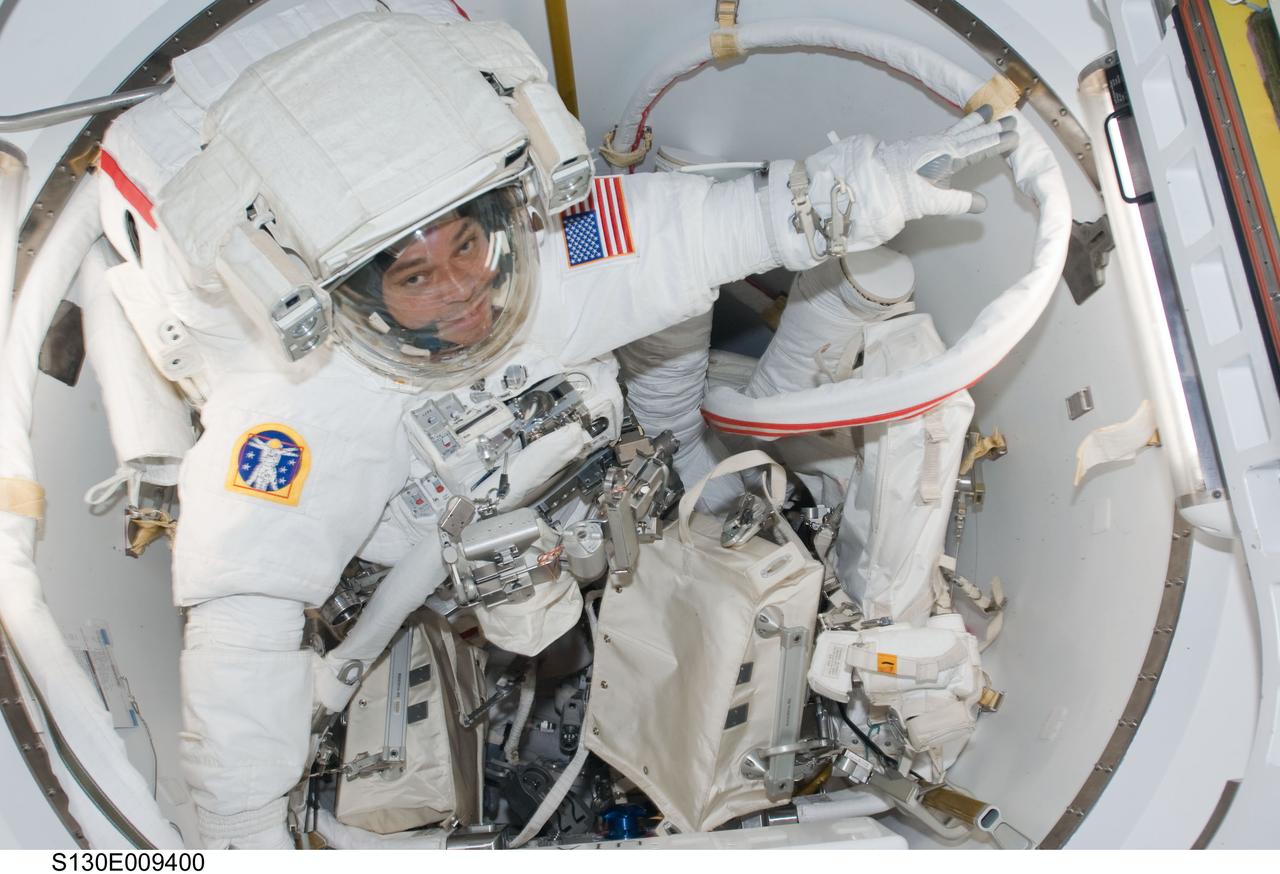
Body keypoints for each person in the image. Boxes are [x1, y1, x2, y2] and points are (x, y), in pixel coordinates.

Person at [93, 0, 1016, 848]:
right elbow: (239, 648)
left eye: (468, 244)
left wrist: (876, 184)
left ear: (502, 210)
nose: (463, 292)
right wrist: (245, 839)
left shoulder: (559, 245)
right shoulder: (299, 405)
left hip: (598, 490)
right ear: (353, 296)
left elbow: (736, 220)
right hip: (425, 578)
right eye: (416, 279)